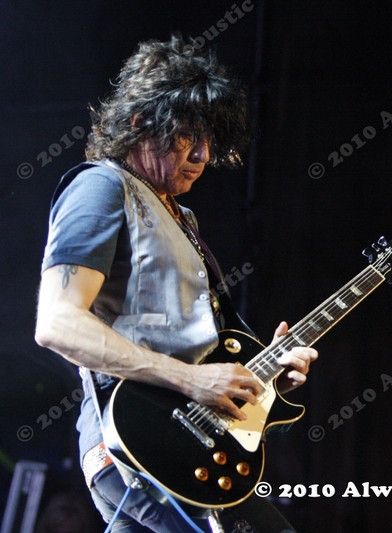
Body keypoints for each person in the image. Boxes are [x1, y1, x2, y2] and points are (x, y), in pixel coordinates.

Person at [34, 36, 317, 533]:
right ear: (139, 123)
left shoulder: (182, 218)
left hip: (188, 446)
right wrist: (190, 379)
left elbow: (195, 353)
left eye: (211, 140)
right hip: (136, 445)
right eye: (188, 136)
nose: (204, 154)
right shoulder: (102, 186)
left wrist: (268, 374)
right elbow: (57, 323)